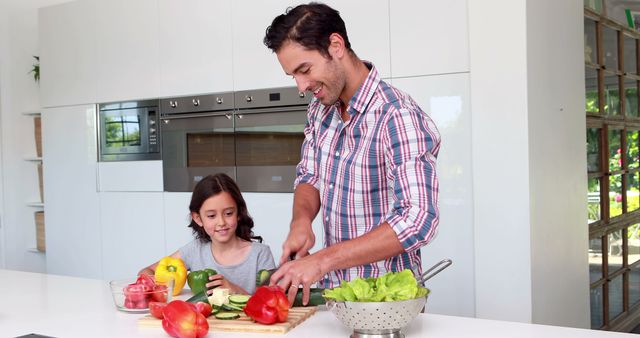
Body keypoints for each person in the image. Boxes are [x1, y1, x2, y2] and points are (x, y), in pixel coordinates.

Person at [263, 2, 441, 305]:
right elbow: (310, 175)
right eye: (293, 75)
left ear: (335, 45)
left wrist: (321, 261)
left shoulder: (396, 115)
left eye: (304, 70)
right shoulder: (321, 111)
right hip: (338, 295)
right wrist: (301, 221)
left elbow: (418, 219)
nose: (301, 86)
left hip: (387, 302)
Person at [139, 173, 276, 295]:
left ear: (239, 213)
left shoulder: (260, 254)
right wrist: (161, 288)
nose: (221, 222)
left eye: (228, 213)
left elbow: (270, 301)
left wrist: (234, 290)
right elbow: (146, 272)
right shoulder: (195, 250)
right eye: (211, 216)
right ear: (198, 218)